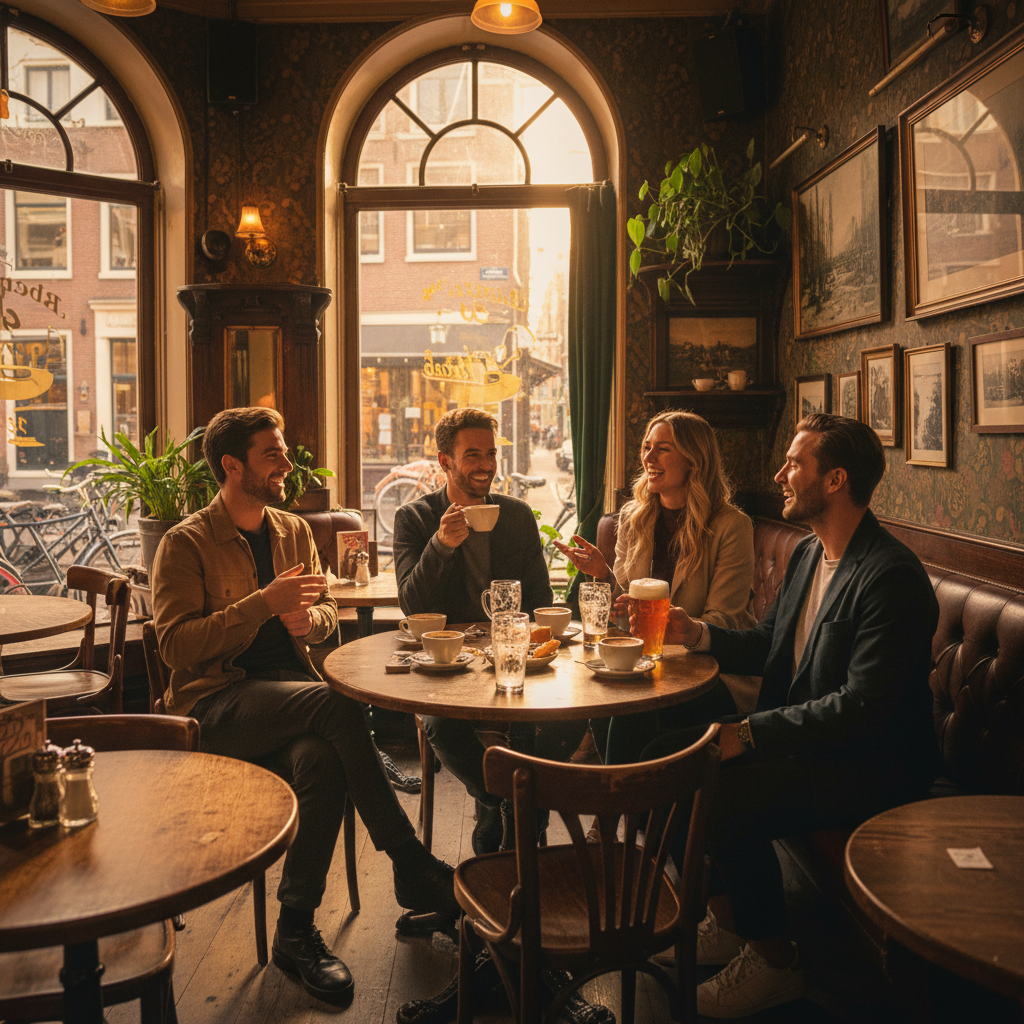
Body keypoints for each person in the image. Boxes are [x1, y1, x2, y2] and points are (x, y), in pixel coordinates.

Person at [151, 406, 459, 1008]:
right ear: (230, 466)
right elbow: (175, 647)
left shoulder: (292, 531)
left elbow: (322, 620)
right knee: (336, 707)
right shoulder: (185, 543)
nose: (287, 462)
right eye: (273, 453)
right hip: (216, 703)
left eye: (284, 450)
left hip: (294, 697)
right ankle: (408, 861)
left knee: (322, 759)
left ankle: (294, 931)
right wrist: (261, 605)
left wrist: (308, 619)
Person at [645, 413, 941, 1018]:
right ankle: (732, 922)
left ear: (835, 480)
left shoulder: (891, 577)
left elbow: (861, 709)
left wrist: (748, 732)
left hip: (868, 763)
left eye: (794, 464)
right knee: (666, 757)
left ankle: (778, 963)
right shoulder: (810, 553)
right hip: (810, 741)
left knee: (722, 793)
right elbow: (768, 642)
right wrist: (694, 631)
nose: (780, 474)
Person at [393, 407, 587, 854]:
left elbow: (539, 600)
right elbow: (413, 606)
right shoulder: (416, 519)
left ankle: (510, 807)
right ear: (445, 461)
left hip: (515, 657)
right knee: (442, 727)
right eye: (472, 455)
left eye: (491, 454)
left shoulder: (516, 516)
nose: (485, 466)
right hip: (451, 666)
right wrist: (440, 546)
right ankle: (510, 803)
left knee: (573, 713)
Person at [552, 410, 757, 762]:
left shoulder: (731, 526)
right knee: (599, 696)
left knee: (627, 708)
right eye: (647, 447)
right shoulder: (634, 518)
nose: (648, 457)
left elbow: (723, 621)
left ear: (694, 460)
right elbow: (627, 620)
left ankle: (616, 804)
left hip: (712, 674)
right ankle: (620, 801)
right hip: (645, 666)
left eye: (663, 449)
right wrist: (603, 576)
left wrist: (682, 630)